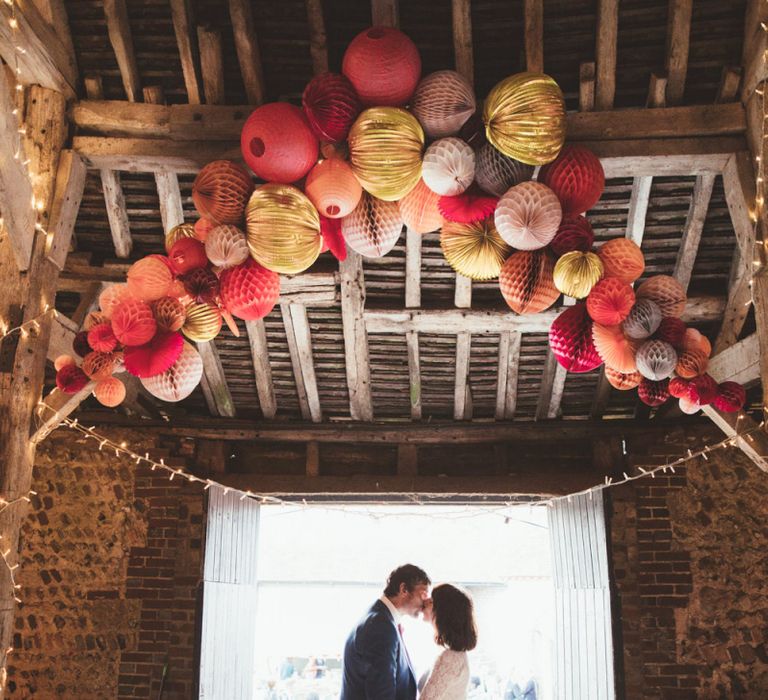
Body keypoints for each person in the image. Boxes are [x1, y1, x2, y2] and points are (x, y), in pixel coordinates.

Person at [340, 564, 431, 700]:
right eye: (423, 594)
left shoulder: (382, 620)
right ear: (404, 589)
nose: (425, 603)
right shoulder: (380, 626)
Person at [419, 583, 477, 700]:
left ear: (443, 612)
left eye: (431, 601)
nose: (424, 602)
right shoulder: (453, 653)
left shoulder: (450, 658)